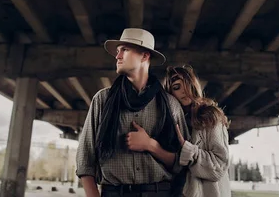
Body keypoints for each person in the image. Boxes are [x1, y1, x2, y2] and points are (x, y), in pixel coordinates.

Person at [76, 28, 190, 197]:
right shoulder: (102, 100)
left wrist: (151, 145)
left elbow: (183, 162)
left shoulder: (170, 104)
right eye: (117, 51)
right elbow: (85, 159)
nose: (117, 56)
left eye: (125, 49)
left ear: (145, 56)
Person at [126, 65, 231, 197]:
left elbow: (219, 166)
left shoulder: (209, 116)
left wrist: (188, 150)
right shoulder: (170, 122)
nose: (183, 91)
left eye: (187, 84)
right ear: (170, 92)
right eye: (177, 87)